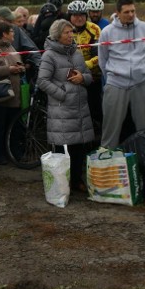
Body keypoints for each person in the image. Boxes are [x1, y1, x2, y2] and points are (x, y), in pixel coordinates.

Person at [36, 19, 94, 191]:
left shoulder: (76, 53)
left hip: (80, 107)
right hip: (62, 109)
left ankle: (76, 180)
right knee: (63, 149)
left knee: (79, 147)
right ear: (57, 35)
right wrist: (63, 94)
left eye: (71, 32)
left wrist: (83, 78)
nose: (71, 35)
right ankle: (62, 184)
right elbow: (42, 81)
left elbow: (88, 75)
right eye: (66, 33)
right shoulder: (49, 55)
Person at [97, 0, 145, 149]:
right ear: (118, 13)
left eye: (133, 11)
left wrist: (143, 72)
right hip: (116, 84)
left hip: (142, 84)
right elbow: (102, 60)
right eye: (126, 12)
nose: (131, 15)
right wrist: (113, 76)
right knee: (110, 128)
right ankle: (107, 162)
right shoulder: (107, 32)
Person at [0, 21, 24, 166]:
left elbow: (17, 62)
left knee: (15, 126)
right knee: (0, 127)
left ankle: (14, 152)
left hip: (15, 95)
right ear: (4, 34)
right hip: (2, 97)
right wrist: (9, 69)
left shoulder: (11, 46)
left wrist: (22, 68)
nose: (14, 33)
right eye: (11, 31)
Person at [66, 0, 102, 124]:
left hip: (92, 75)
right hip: (72, 75)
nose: (79, 18)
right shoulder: (64, 30)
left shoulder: (94, 29)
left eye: (82, 15)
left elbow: (100, 55)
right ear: (69, 16)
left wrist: (85, 66)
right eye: (75, 15)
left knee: (94, 109)